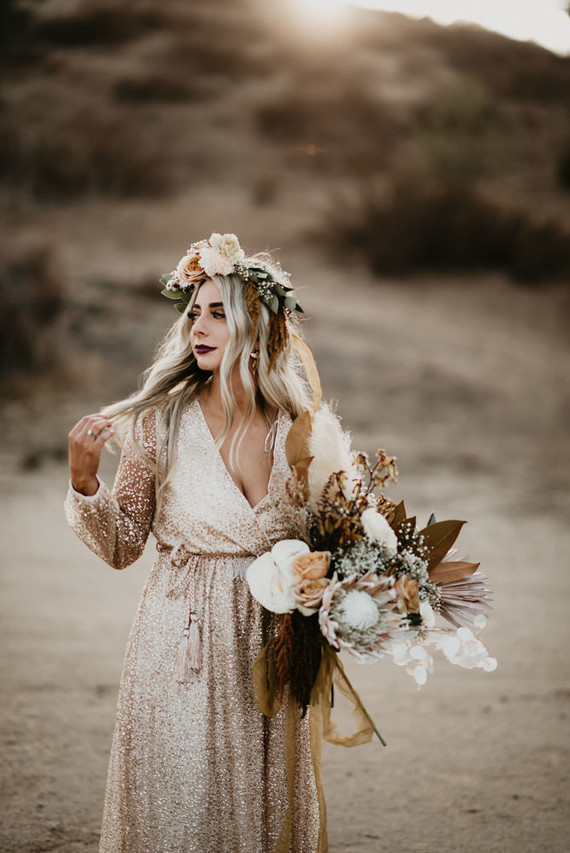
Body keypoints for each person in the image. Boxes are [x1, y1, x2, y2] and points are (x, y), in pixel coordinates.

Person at [64, 233, 323, 853]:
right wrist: (84, 480)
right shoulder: (161, 421)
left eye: (217, 314)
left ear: (257, 329)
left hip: (274, 646)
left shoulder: (301, 430)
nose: (197, 328)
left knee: (266, 810)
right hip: (181, 641)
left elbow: (327, 544)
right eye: (193, 313)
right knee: (182, 803)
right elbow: (125, 542)